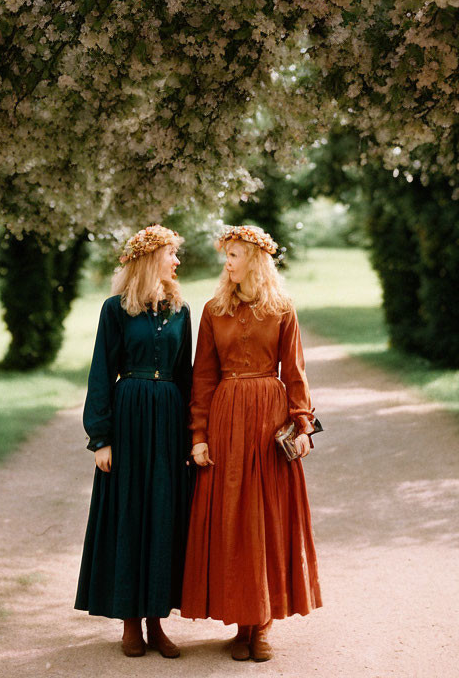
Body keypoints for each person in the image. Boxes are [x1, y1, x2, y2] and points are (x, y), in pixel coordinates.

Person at [180, 225, 322, 662]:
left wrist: (303, 426)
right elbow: (202, 377)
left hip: (268, 420)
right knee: (231, 521)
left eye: (235, 255)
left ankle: (261, 627)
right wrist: (199, 436)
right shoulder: (213, 310)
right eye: (226, 255)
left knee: (267, 519)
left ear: (255, 260)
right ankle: (238, 624)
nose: (227, 262)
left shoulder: (282, 309)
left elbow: (295, 372)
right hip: (225, 419)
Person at [75, 225, 193, 658]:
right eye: (171, 255)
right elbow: (101, 373)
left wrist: (189, 438)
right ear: (150, 259)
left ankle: (156, 622)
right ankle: (129, 623)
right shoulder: (115, 310)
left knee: (162, 514)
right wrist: (101, 438)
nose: (177, 262)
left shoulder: (182, 311)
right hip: (128, 419)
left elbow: (187, 377)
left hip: (167, 420)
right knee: (130, 513)